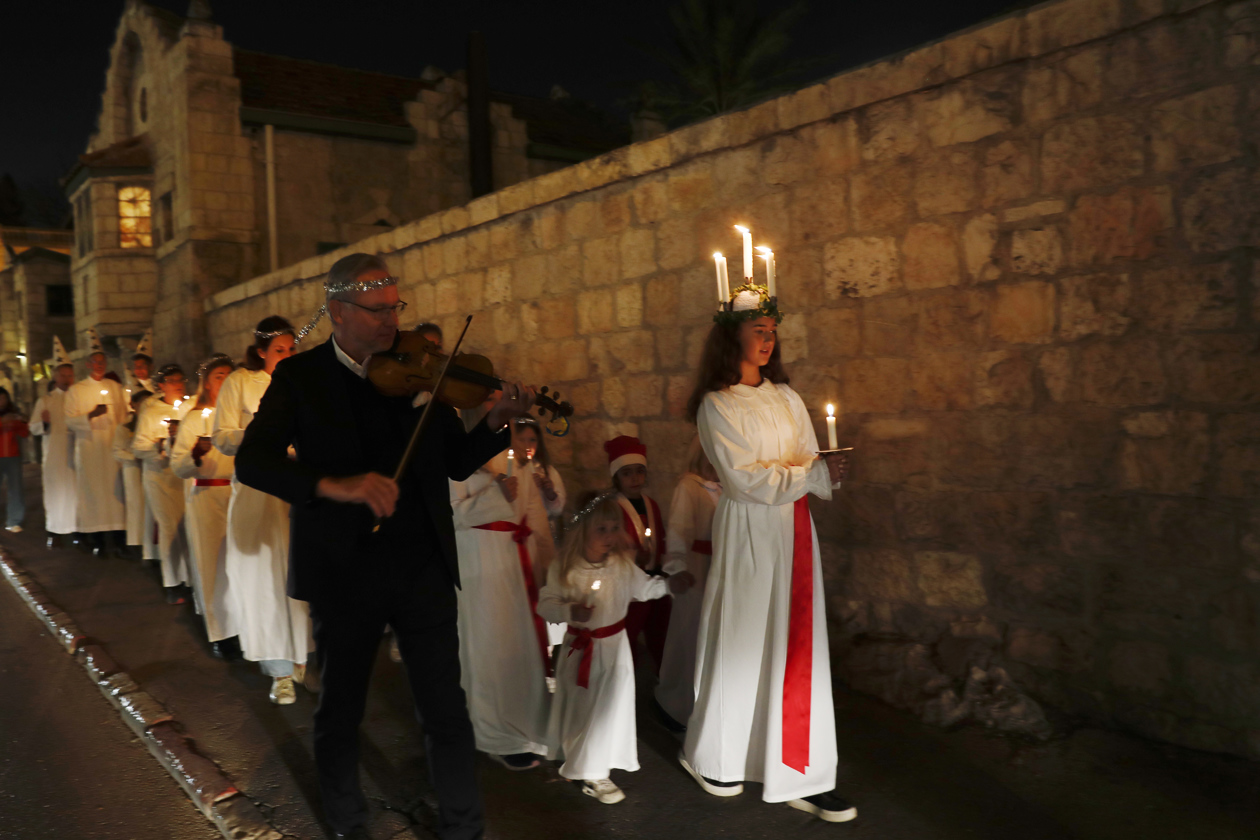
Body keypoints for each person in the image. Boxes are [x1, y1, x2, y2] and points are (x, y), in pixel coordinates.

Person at [234, 253, 536, 840]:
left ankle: (463, 828)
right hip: (344, 569)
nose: (391, 322)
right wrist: (330, 485)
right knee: (342, 708)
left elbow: (451, 462)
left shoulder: (418, 374)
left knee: (446, 710)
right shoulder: (301, 378)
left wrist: (496, 421)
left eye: (394, 307)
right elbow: (253, 460)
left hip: (421, 563)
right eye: (377, 311)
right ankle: (348, 822)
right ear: (339, 312)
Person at [679, 280, 854, 823]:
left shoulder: (787, 397)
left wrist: (825, 472)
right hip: (750, 531)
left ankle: (799, 767)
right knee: (743, 639)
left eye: (773, 331)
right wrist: (810, 473)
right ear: (730, 338)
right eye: (758, 330)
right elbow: (743, 478)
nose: (768, 340)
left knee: (793, 646)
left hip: (792, 531)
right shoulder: (716, 405)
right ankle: (720, 755)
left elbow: (805, 460)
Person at [536, 493, 691, 805]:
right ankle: (585, 764)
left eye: (612, 528)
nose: (609, 537)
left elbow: (645, 588)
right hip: (579, 650)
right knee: (582, 706)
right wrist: (569, 612)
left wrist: (669, 585)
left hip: (615, 650)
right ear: (582, 531)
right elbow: (545, 604)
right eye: (600, 530)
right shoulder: (566, 568)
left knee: (607, 707)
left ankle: (594, 765)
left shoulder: (621, 565)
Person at [212, 316, 312, 703]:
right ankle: (278, 670)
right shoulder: (239, 383)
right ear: (260, 353)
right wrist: (261, 435)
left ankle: (304, 657)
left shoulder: (302, 381)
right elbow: (221, 436)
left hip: (296, 487)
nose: (287, 356)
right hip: (257, 490)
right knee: (264, 581)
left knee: (297, 574)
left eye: (291, 350)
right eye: (279, 351)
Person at [448, 421, 557, 771]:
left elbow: (537, 522)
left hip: (514, 565)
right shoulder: (455, 471)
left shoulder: (521, 470)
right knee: (486, 646)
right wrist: (496, 496)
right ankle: (493, 732)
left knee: (518, 648)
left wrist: (549, 573)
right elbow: (452, 517)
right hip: (477, 567)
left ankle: (528, 727)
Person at [172, 354, 239, 659]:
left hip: (239, 497)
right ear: (207, 384)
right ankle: (221, 633)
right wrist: (196, 455)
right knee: (212, 565)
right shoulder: (193, 419)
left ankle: (245, 624)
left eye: (228, 375)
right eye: (218, 376)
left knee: (239, 566)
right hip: (206, 499)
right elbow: (178, 466)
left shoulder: (240, 417)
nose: (224, 381)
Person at [653, 438, 721, 732]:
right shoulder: (689, 487)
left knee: (710, 640)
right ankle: (675, 703)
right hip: (696, 569)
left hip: (719, 570)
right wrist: (677, 567)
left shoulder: (728, 489)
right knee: (688, 636)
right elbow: (678, 529)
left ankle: (704, 705)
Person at [605, 435, 671, 674]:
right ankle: (623, 680)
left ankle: (663, 681)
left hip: (655, 578)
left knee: (660, 635)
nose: (635, 479)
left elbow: (661, 536)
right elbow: (608, 545)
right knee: (628, 635)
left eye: (639, 472)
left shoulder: (651, 504)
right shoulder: (612, 507)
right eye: (627, 473)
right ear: (616, 477)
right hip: (628, 585)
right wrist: (634, 559)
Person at [64, 331, 128, 555]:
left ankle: (120, 540)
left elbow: (124, 415)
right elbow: (69, 421)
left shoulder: (115, 387)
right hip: (90, 450)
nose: (99, 365)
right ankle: (98, 541)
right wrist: (91, 415)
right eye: (95, 362)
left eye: (102, 362)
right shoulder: (76, 390)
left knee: (116, 494)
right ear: (88, 364)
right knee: (94, 495)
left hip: (112, 449)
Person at [132, 364, 191, 603]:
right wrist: (158, 445)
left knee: (188, 528)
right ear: (161, 385)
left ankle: (191, 578)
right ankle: (172, 582)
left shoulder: (190, 407)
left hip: (184, 476)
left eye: (181, 379)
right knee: (169, 528)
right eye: (172, 380)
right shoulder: (151, 411)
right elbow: (138, 446)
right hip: (160, 478)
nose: (178, 384)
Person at [30, 357, 77, 546]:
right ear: (56, 377)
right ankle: (54, 531)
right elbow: (33, 427)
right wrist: (45, 423)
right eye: (63, 375)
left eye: (70, 375)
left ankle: (76, 530)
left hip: (75, 452)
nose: (67, 379)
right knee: (55, 492)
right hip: (55, 453)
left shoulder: (78, 398)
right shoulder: (45, 400)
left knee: (75, 492)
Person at [113, 389, 153, 557]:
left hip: (150, 468)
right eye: (141, 403)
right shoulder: (125, 427)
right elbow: (116, 450)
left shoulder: (153, 423)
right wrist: (134, 457)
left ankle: (151, 543)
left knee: (151, 506)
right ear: (134, 405)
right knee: (137, 505)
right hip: (133, 469)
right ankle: (137, 542)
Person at [0, 388, 30, 533]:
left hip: (12, 456)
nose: (2, 402)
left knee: (15, 489)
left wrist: (22, 422)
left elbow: (24, 433)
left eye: (4, 398)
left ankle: (14, 521)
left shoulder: (13, 413)